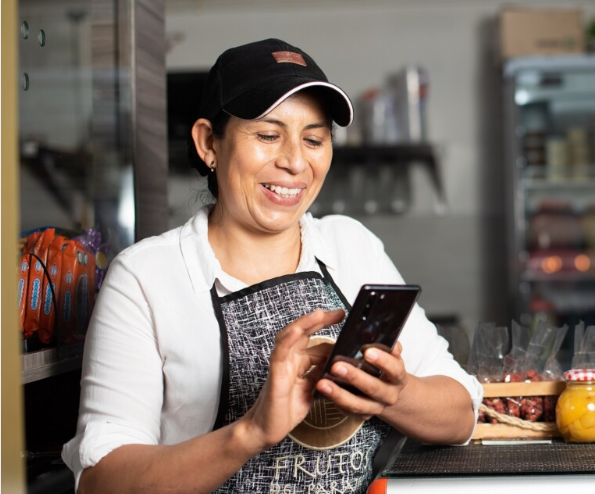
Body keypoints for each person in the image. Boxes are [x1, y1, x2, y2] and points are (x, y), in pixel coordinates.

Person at [61, 38, 482, 494]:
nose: (295, 161)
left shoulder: (350, 245)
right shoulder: (146, 278)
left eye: (314, 139)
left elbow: (461, 411)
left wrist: (395, 396)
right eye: (267, 135)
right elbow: (101, 480)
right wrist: (251, 431)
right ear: (208, 143)